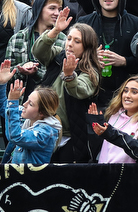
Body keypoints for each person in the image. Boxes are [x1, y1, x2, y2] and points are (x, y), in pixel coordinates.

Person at [34, 22, 101, 162]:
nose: (70, 44)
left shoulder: (91, 71)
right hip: (44, 130)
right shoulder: (58, 55)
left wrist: (70, 76)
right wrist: (56, 30)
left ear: (87, 47)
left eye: (77, 41)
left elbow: (80, 90)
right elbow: (38, 51)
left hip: (70, 136)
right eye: (69, 38)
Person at [87, 75, 138, 163]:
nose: (127, 95)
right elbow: (96, 151)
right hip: (105, 172)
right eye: (125, 91)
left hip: (131, 174)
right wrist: (97, 126)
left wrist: (111, 133)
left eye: (134, 92)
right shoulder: (112, 114)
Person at [0, 59, 60, 164]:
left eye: (30, 104)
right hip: (14, 175)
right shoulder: (28, 116)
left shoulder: (46, 133)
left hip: (30, 179)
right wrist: (1, 83)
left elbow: (15, 136)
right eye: (27, 100)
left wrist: (13, 102)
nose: (24, 104)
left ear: (41, 112)